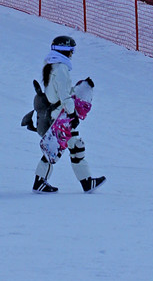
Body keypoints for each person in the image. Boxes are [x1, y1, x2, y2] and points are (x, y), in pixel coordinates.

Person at [31, 35, 105, 193]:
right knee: (54, 148)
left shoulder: (50, 65)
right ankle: (40, 182)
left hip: (57, 112)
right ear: (64, 50)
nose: (72, 54)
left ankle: (86, 182)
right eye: (71, 50)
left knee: (73, 145)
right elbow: (64, 96)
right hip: (62, 115)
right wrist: (73, 114)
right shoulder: (61, 69)